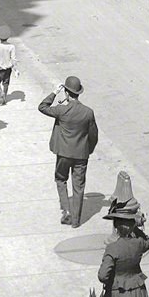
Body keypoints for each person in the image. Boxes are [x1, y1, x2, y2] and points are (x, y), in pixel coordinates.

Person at [39, 74, 99, 228]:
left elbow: (42, 107)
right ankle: (76, 221)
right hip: (81, 154)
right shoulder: (88, 112)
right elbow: (93, 135)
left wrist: (54, 92)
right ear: (78, 93)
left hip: (63, 153)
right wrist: (88, 150)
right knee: (78, 187)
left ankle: (66, 211)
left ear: (66, 92)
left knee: (61, 179)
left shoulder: (61, 110)